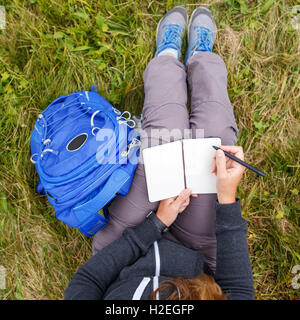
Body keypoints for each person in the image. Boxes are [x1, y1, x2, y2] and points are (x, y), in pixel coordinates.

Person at [65, 6, 254, 300]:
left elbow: (88, 279)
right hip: (199, 255)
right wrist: (227, 199)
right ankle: (201, 56)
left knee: (164, 133)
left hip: (128, 243)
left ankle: (166, 56)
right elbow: (239, 289)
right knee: (217, 139)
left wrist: (156, 224)